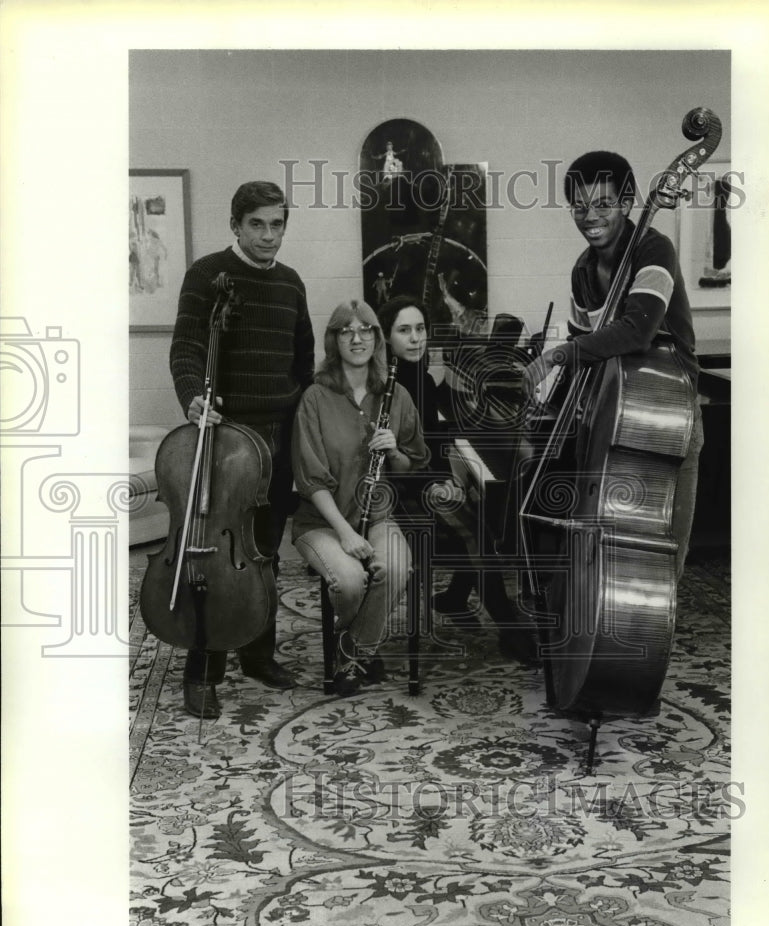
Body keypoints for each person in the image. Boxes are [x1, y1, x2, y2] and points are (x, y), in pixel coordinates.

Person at [169, 180, 315, 718]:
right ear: (235, 225)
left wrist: (298, 418)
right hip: (226, 440)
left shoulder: (292, 284)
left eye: (277, 224)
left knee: (264, 554)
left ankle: (258, 654)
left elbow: (304, 359)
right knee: (213, 555)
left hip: (277, 438)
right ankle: (202, 672)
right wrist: (192, 398)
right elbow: (186, 344)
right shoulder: (208, 275)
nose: (268, 235)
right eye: (257, 224)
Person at [522, 150, 704, 580]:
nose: (589, 216)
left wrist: (555, 356)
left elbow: (636, 330)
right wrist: (548, 407)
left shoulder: (654, 249)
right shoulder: (582, 271)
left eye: (602, 204)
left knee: (662, 549)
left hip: (666, 413)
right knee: (602, 539)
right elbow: (583, 349)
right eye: (579, 206)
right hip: (611, 413)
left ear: (626, 203)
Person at [377, 295, 530, 662]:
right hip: (397, 492)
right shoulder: (390, 385)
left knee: (489, 500)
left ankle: (457, 594)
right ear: (386, 339)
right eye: (404, 331)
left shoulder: (418, 376)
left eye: (420, 329)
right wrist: (449, 480)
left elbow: (437, 430)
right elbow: (409, 456)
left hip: (419, 478)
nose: (415, 339)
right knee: (477, 525)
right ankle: (508, 627)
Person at [291, 300, 430, 697]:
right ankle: (365, 646)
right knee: (351, 581)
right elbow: (311, 478)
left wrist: (394, 452)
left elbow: (413, 463)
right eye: (346, 331)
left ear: (376, 337)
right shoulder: (315, 398)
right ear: (334, 340)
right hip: (323, 522)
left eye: (365, 330)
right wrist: (346, 534)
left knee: (397, 568)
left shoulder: (395, 393)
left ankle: (351, 649)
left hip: (378, 515)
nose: (357, 338)